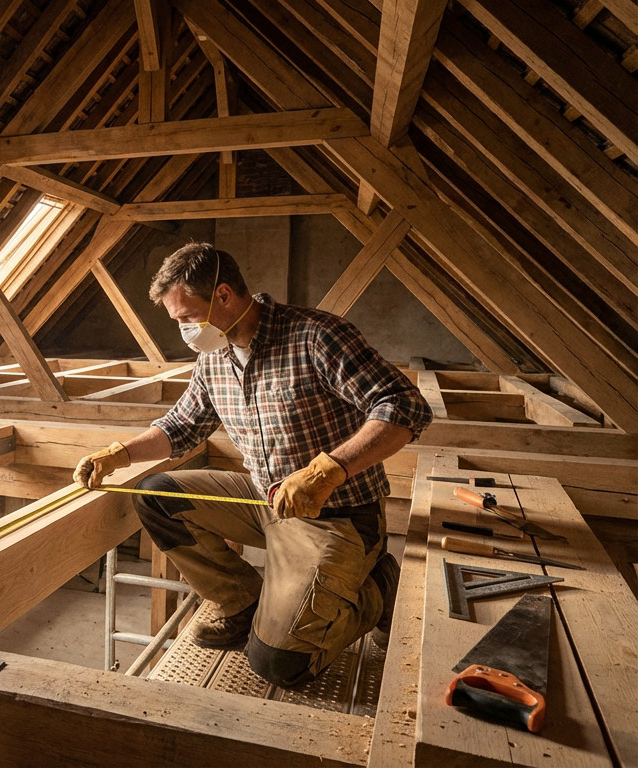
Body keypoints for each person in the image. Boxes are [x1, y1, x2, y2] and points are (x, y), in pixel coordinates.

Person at [74, 242, 432, 687]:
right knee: (158, 496)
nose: (184, 331)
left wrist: (328, 471)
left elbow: (404, 406)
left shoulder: (316, 337)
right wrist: (121, 454)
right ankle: (242, 604)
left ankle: (377, 587)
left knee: (279, 665)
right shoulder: (214, 357)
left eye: (187, 318)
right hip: (267, 500)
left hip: (336, 516)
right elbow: (182, 425)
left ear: (224, 296)